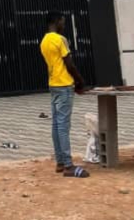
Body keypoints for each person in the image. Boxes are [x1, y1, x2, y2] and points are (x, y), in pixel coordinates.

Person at [40, 11, 90, 178]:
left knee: (56, 124)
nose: (64, 25)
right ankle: (68, 165)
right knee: (63, 126)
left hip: (53, 84)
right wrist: (80, 81)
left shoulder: (44, 41)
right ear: (56, 21)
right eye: (63, 21)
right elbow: (69, 64)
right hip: (64, 84)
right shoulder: (60, 40)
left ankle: (60, 162)